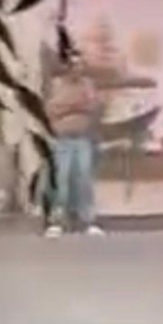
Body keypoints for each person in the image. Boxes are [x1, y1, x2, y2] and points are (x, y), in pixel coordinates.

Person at [43, 49, 104, 236]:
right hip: (63, 139)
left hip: (83, 138)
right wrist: (74, 105)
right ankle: (58, 221)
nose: (78, 69)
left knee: (84, 178)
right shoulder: (57, 85)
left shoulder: (88, 85)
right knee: (62, 179)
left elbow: (93, 106)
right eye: (74, 65)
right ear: (68, 67)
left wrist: (70, 106)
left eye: (81, 65)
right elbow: (52, 108)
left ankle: (88, 221)